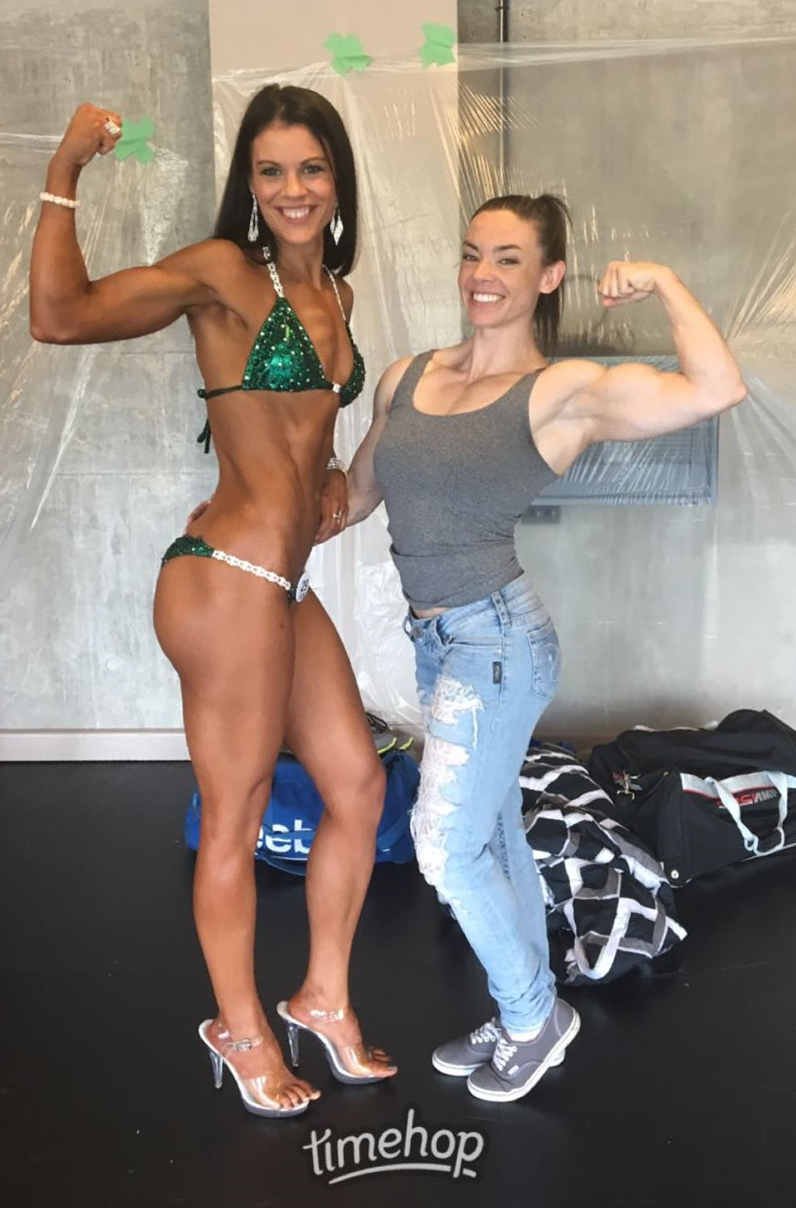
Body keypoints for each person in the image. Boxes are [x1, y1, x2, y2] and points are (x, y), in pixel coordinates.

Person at [29, 85, 396, 1119]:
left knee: (358, 784)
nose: (292, 188)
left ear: (337, 180)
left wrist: (329, 481)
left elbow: (300, 434)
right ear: (250, 181)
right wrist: (65, 172)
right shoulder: (225, 272)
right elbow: (59, 317)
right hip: (224, 576)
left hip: (283, 580)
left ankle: (322, 996)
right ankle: (238, 1028)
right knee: (235, 814)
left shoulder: (338, 294)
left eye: (310, 168)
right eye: (271, 170)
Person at [343, 193, 746, 1103]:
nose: (482, 276)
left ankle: (533, 1018)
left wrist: (664, 282)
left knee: (444, 847)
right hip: (438, 640)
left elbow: (716, 388)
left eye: (509, 259)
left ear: (550, 276)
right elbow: (355, 497)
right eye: (472, 254)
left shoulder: (560, 393)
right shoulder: (406, 377)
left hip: (497, 643)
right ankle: (523, 1004)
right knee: (492, 836)